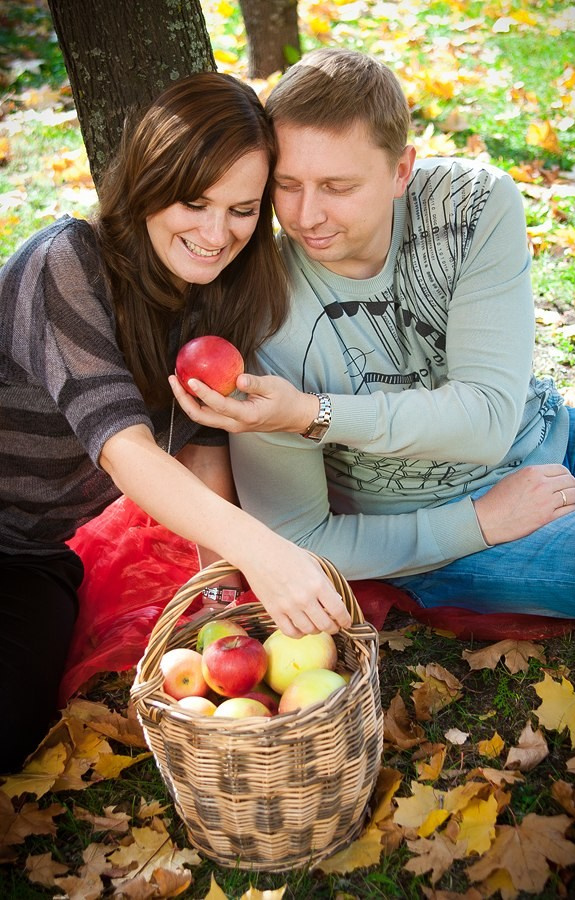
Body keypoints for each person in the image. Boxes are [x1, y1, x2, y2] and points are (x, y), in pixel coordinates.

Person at [0, 71, 352, 773]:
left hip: (27, 557)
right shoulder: (65, 264)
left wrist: (221, 595)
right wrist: (265, 552)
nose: (217, 233)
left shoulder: (217, 295)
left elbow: (202, 447)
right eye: (195, 202)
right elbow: (127, 451)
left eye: (243, 209)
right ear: (147, 179)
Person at [170, 49, 575, 622]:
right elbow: (298, 538)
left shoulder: (469, 206)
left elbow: (490, 421)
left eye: (337, 187)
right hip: (437, 528)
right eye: (287, 185)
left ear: (401, 171)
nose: (306, 216)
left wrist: (311, 412)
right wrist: (474, 524)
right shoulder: (256, 312)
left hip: (550, 434)